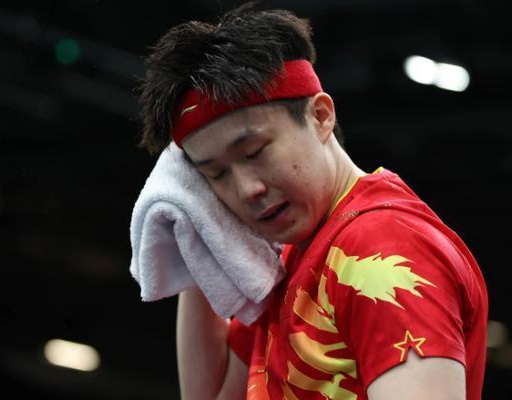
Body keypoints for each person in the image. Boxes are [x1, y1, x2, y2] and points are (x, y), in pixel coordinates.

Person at [137, 3, 488, 399]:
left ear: (320, 116)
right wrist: (194, 222)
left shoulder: (384, 248)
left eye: (254, 152)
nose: (247, 189)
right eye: (217, 174)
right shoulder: (289, 262)